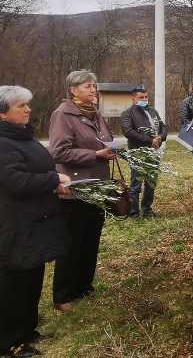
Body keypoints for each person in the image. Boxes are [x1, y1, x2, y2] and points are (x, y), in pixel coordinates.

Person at [0, 86, 69, 357]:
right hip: (15, 223)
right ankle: (9, 341)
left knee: (32, 277)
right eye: (21, 106)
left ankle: (27, 329)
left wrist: (52, 182)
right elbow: (16, 181)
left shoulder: (23, 137)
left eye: (28, 104)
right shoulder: (3, 143)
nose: (28, 109)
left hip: (35, 221)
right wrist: (54, 180)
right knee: (13, 283)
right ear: (3, 114)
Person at [48, 70, 115, 313]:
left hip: (97, 187)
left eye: (94, 86)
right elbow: (58, 152)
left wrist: (110, 148)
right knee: (71, 244)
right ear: (73, 89)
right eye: (87, 86)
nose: (93, 90)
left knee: (90, 240)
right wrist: (94, 154)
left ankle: (83, 286)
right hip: (75, 189)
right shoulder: (63, 114)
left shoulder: (95, 114)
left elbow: (105, 139)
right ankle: (63, 296)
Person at [120, 87, 168, 218]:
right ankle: (134, 212)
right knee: (136, 183)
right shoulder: (128, 113)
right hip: (138, 153)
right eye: (141, 97)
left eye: (146, 97)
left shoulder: (152, 111)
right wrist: (149, 140)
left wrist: (160, 137)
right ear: (133, 98)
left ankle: (147, 209)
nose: (144, 99)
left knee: (151, 182)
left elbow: (163, 126)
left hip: (154, 152)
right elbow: (128, 132)